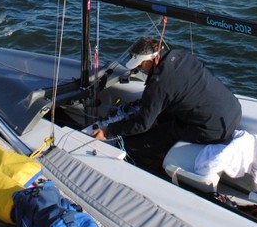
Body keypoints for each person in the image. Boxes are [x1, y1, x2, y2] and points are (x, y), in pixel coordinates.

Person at [92, 37, 242, 173]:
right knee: (162, 118)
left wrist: (109, 131)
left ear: (150, 61)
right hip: (233, 111)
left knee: (152, 137)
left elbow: (142, 125)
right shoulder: (180, 55)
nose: (138, 70)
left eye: (140, 66)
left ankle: (152, 166)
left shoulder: (158, 84)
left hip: (213, 129)